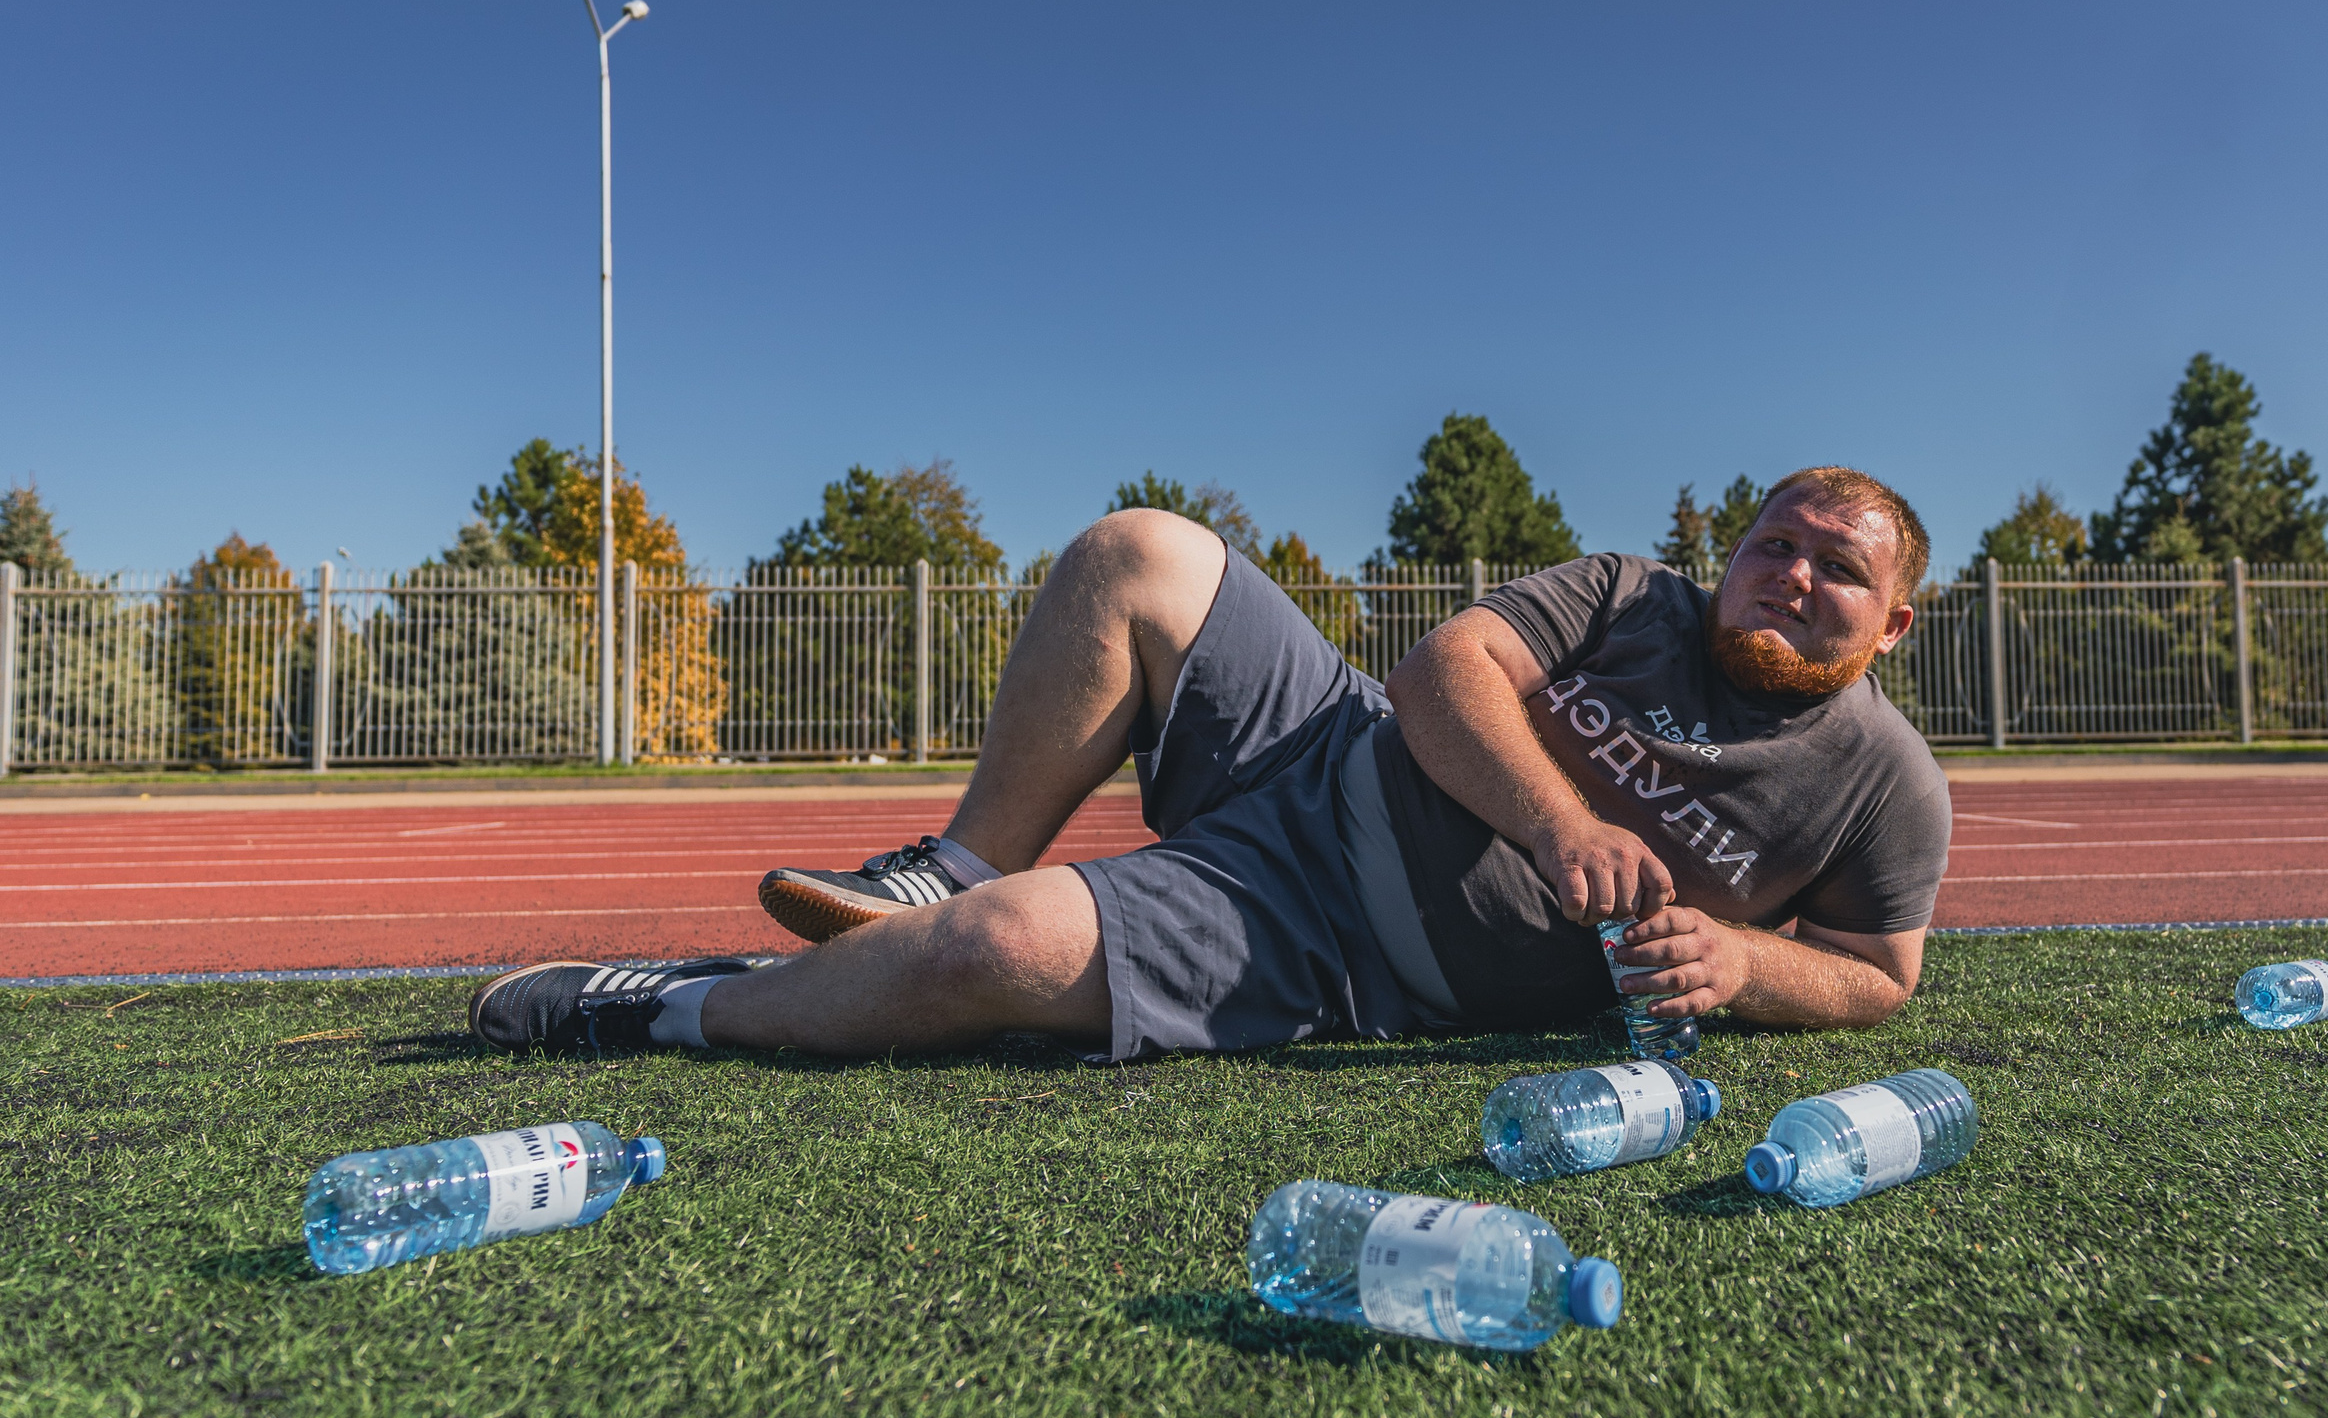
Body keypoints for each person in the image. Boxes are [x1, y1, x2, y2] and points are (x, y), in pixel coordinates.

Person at [468, 465, 1950, 1061]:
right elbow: (1447, 671)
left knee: (990, 955)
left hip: (1334, 948)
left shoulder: (1885, 785)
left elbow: (1879, 973)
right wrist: (1560, 822)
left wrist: (1749, 971)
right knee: (1143, 553)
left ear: (1893, 621)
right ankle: (956, 852)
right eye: (1773, 542)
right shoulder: (1635, 594)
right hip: (1332, 744)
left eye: (1836, 568)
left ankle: (672, 1008)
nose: (1789, 574)